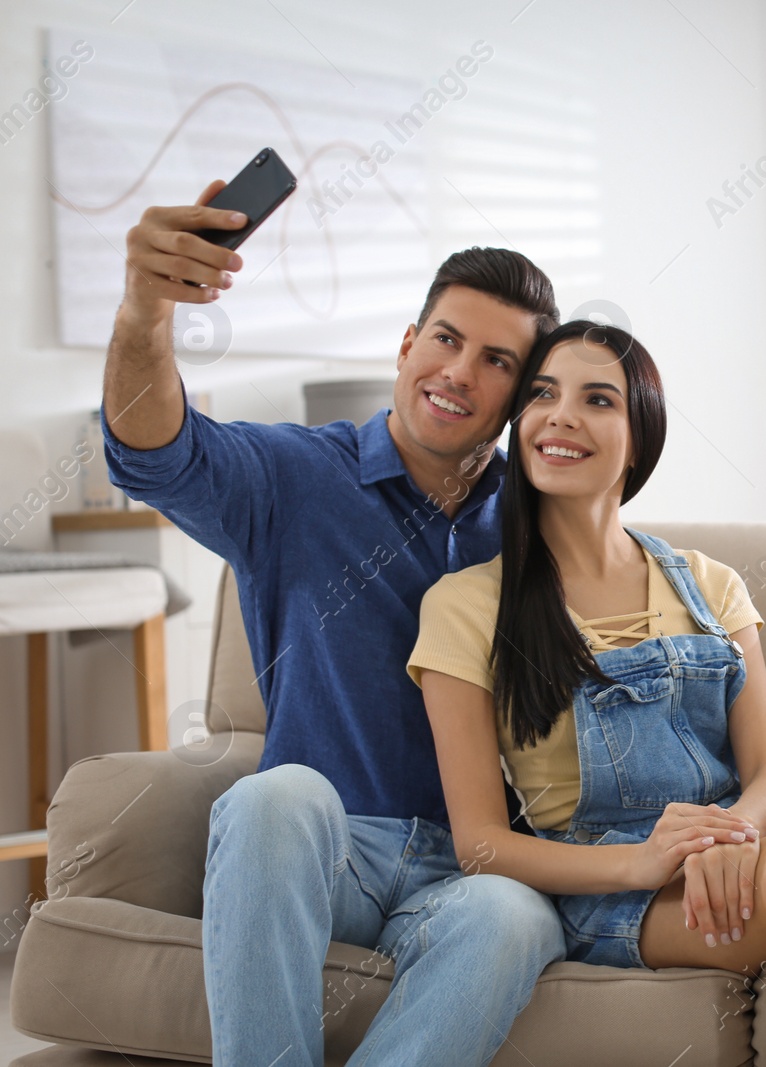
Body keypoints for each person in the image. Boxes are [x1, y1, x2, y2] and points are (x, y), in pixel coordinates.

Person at [408, 320, 766, 1067]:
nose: (562, 415)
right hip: (615, 891)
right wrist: (644, 861)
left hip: (735, 857)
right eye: (543, 394)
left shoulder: (709, 583)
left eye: (597, 399)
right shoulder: (467, 604)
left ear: (638, 438)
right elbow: (479, 843)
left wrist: (725, 838)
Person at [103, 182, 568, 1066]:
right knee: (274, 794)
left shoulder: (542, 524)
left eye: (499, 362)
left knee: (513, 912)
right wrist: (144, 309)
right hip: (324, 844)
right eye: (446, 339)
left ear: (520, 395)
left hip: (470, 866)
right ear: (407, 344)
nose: (461, 372)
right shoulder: (293, 476)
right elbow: (153, 454)